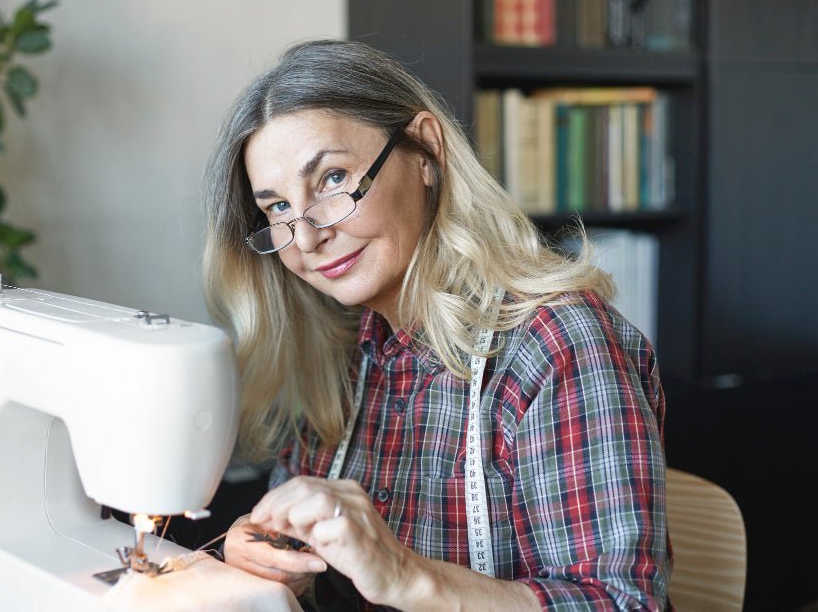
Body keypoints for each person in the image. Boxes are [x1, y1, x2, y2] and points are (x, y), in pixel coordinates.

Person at [202, 40, 670, 611]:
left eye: (331, 180)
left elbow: (622, 603)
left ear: (424, 150)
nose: (305, 238)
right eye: (277, 208)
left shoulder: (559, 344)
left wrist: (407, 576)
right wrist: (275, 560)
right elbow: (301, 551)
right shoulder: (338, 348)